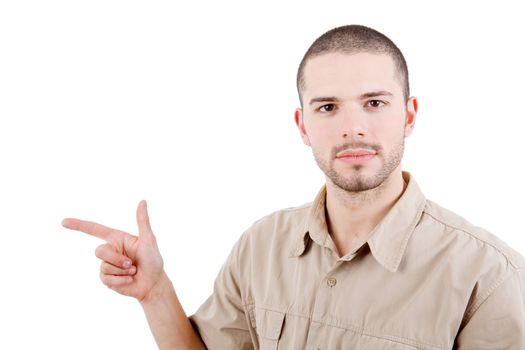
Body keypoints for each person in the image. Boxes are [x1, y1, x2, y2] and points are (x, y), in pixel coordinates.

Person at [62, 25, 525, 349]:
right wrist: (155, 292)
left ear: (409, 115)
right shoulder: (260, 246)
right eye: (328, 108)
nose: (353, 128)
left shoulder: (488, 276)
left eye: (375, 102)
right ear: (303, 125)